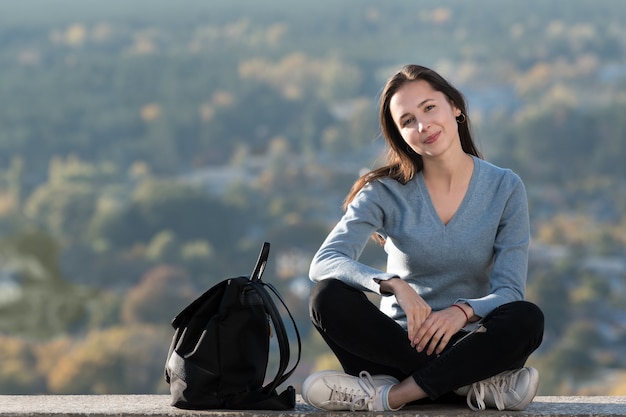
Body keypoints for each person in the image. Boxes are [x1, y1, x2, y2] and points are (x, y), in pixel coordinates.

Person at [301, 64, 544, 412]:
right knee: (326, 296)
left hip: (469, 345)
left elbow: (508, 292)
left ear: (454, 107)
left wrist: (462, 312)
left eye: (429, 108)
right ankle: (468, 388)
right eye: (407, 121)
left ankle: (391, 396)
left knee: (527, 317)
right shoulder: (383, 191)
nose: (423, 125)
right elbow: (324, 262)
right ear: (400, 135)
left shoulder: (505, 188)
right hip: (396, 347)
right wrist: (393, 284)